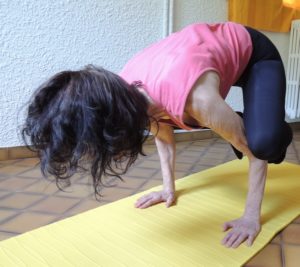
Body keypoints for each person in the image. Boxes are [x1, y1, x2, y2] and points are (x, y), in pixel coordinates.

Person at [22, 22, 293, 249]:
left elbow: (254, 156)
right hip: (201, 64)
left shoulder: (196, 99)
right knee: (208, 122)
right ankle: (246, 121)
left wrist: (250, 216)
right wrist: (167, 189)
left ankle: (271, 128)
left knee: (264, 145)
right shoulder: (127, 95)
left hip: (254, 54)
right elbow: (162, 132)